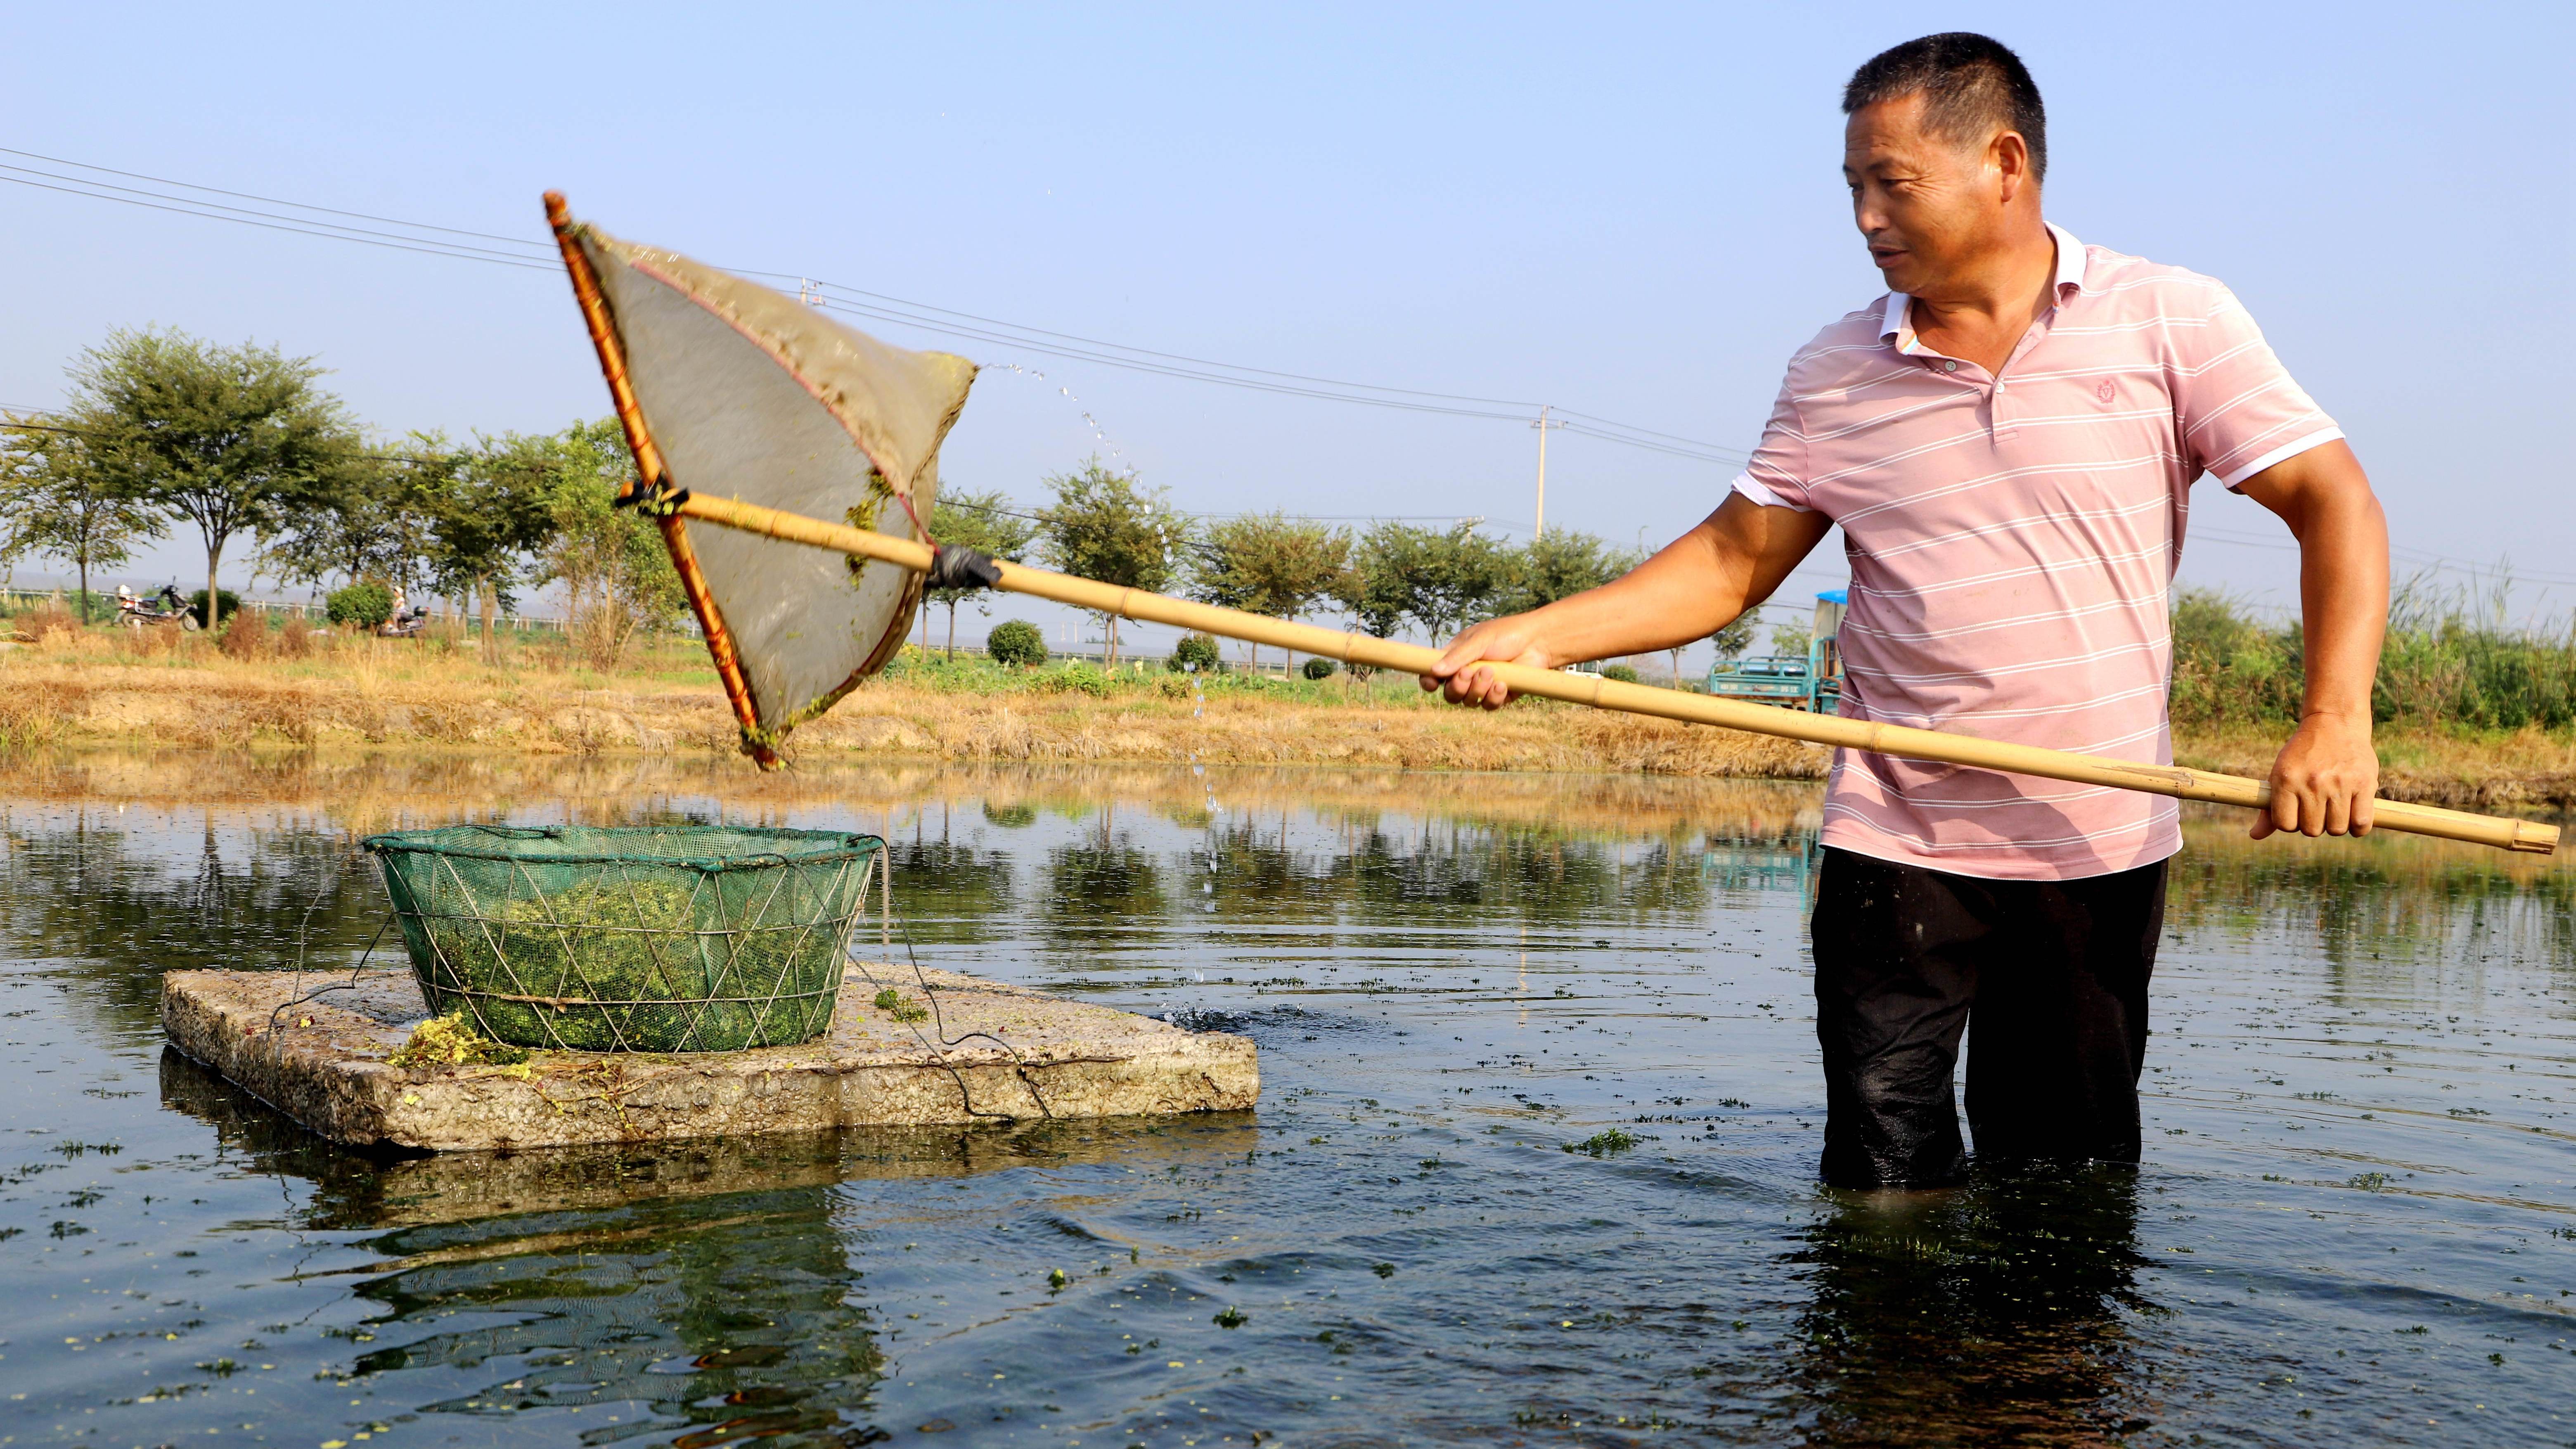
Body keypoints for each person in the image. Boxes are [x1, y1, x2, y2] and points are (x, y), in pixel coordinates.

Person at [1425, 33, 2388, 1188]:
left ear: (2004, 162)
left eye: (1895, 183)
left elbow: (2332, 501)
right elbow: (1732, 567)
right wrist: (1542, 637)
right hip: (1897, 838)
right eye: (1853, 189)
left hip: (2097, 839)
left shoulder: (2169, 320)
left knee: (2064, 1186)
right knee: (1882, 1185)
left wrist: (2335, 719)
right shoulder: (1835, 369)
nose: (1868, 217)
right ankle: (1891, 1376)